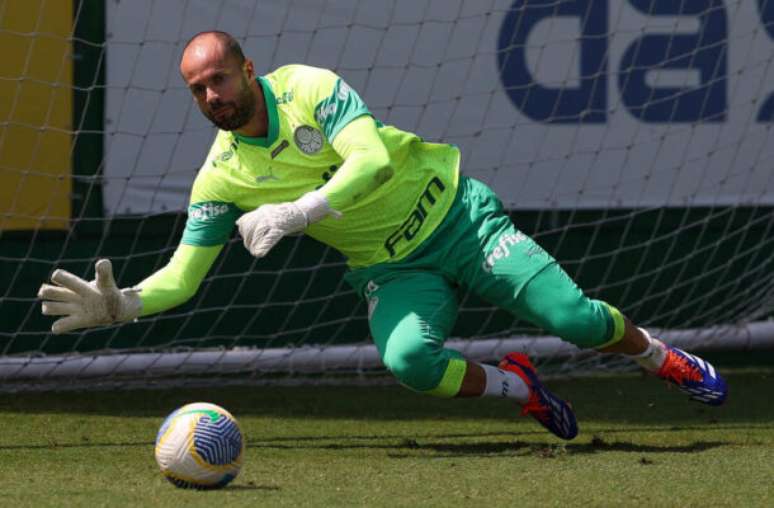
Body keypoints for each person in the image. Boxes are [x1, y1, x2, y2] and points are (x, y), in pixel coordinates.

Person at [38, 31, 727, 440]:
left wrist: (301, 210)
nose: (211, 95)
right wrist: (125, 304)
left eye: (218, 78)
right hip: (392, 269)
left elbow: (370, 159)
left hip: (457, 216)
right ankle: (523, 392)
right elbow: (184, 279)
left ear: (248, 70)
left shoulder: (307, 87)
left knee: (574, 318)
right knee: (410, 365)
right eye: (196, 89)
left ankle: (658, 358)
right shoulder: (220, 178)